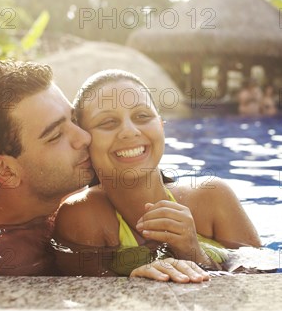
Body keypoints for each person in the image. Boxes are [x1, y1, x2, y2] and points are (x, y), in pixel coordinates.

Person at [0, 61, 206, 284]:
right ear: (6, 170)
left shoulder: (79, 195)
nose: (85, 137)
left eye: (73, 120)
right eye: (55, 136)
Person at [53, 70, 261, 280]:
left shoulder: (213, 197)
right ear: (85, 139)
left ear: (160, 126)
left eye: (142, 116)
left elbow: (262, 279)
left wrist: (193, 252)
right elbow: (86, 296)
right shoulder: (83, 215)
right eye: (108, 122)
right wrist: (133, 281)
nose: (130, 131)